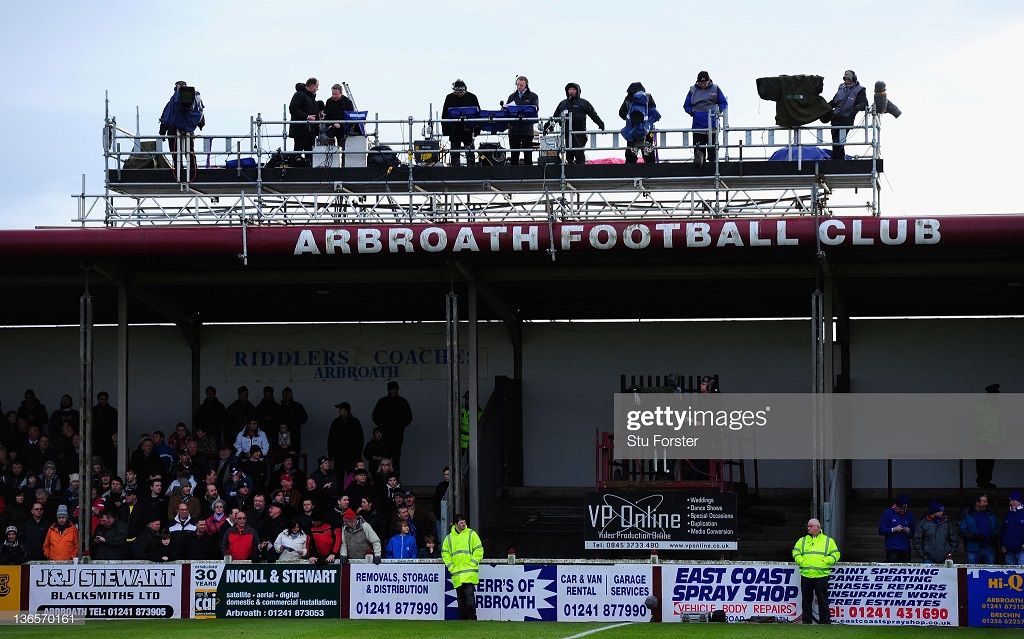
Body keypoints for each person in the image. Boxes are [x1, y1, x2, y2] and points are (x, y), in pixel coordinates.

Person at [792, 518, 839, 625]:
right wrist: (801, 561)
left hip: (821, 575)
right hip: (806, 574)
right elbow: (795, 552)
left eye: (810, 526)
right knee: (806, 599)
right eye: (807, 526)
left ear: (817, 527)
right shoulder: (802, 540)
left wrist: (825, 561)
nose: (808, 528)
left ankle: (825, 621)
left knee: (823, 599)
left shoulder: (828, 541)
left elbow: (836, 554)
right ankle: (806, 620)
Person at [443, 513, 483, 620]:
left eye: (464, 522)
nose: (464, 524)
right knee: (461, 598)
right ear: (456, 524)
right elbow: (445, 554)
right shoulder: (449, 538)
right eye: (461, 522)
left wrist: (473, 563)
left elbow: (479, 549)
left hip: (468, 572)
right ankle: (463, 618)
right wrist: (451, 567)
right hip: (458, 573)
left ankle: (471, 618)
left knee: (469, 597)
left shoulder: (471, 534)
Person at [551, 83, 604, 165]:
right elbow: (555, 116)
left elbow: (593, 114)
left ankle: (581, 171)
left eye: (573, 89)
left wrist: (600, 123)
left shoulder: (584, 103)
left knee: (579, 153)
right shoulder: (563, 103)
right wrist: (549, 125)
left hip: (579, 133)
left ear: (578, 91)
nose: (571, 91)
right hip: (567, 133)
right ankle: (569, 170)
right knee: (569, 155)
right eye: (570, 89)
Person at [684, 71, 728, 166]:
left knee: (712, 150)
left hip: (712, 125)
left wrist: (717, 112)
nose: (703, 85)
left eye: (705, 82)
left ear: (708, 81)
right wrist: (693, 112)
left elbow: (723, 102)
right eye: (701, 83)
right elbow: (686, 105)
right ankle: (700, 170)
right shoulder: (692, 90)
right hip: (698, 126)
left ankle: (713, 168)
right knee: (699, 152)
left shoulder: (715, 89)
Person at [371, 381, 413, 475]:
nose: (395, 391)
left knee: (396, 458)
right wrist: (381, 425)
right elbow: (375, 415)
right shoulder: (383, 401)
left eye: (396, 389)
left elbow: (409, 417)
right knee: (384, 458)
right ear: (389, 390)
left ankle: (395, 480)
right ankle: (383, 481)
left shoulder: (402, 402)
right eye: (393, 389)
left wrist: (400, 425)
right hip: (385, 434)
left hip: (397, 435)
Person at [827, 70, 868, 160]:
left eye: (848, 79)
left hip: (846, 119)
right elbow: (834, 101)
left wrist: (854, 110)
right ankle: (840, 160)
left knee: (839, 141)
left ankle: (834, 160)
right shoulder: (841, 87)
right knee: (835, 141)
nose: (846, 81)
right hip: (835, 118)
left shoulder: (860, 90)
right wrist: (825, 107)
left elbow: (864, 103)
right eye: (845, 79)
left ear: (853, 79)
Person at [442, 79, 481, 167]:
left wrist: (477, 130)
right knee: (454, 154)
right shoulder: (449, 98)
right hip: (454, 131)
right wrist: (446, 131)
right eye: (457, 92)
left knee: (470, 152)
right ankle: (455, 170)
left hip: (468, 130)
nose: (459, 94)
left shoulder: (472, 97)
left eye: (461, 92)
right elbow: (444, 115)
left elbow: (478, 114)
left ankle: (471, 169)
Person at [618, 82, 658, 164]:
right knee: (649, 155)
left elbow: (621, 113)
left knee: (630, 156)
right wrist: (647, 123)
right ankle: (652, 173)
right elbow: (653, 112)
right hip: (646, 130)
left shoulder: (628, 99)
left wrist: (630, 118)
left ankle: (629, 173)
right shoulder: (648, 97)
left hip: (631, 130)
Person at [505, 76, 539, 166]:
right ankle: (514, 174)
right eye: (518, 85)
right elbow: (507, 110)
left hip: (526, 130)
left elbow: (535, 110)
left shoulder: (533, 96)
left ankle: (528, 174)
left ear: (526, 85)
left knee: (527, 154)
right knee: (514, 154)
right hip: (513, 129)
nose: (519, 87)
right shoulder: (512, 96)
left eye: (521, 85)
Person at [975, 383, 1003, 488]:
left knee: (989, 463)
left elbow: (1001, 423)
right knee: (982, 462)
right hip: (982, 440)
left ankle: (986, 481)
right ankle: (982, 481)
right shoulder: (981, 405)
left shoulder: (998, 407)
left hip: (992, 441)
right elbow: (977, 422)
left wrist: (1002, 438)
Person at [961, 492, 999, 564]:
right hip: (973, 548)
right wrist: (975, 537)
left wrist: (995, 536)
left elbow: (997, 528)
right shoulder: (967, 514)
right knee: (972, 572)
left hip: (989, 547)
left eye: (987, 501)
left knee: (990, 572)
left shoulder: (990, 513)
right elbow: (962, 531)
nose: (986, 504)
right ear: (977, 503)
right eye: (984, 502)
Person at [289, 78, 320, 167]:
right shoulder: (299, 95)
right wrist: (307, 117)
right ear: (312, 86)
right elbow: (293, 109)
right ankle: (296, 169)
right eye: (317, 86)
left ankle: (308, 168)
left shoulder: (311, 97)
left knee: (309, 152)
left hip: (310, 131)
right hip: (300, 130)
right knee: (298, 151)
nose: (317, 89)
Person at [327, 402, 365, 474]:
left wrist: (358, 453)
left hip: (351, 455)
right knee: (338, 476)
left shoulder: (355, 422)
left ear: (346, 410)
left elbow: (360, 439)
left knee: (351, 476)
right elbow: (331, 437)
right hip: (339, 454)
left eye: (341, 409)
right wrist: (330, 450)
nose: (339, 410)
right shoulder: (336, 422)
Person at [323, 84, 356, 161]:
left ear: (341, 93)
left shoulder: (348, 102)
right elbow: (326, 117)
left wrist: (341, 124)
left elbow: (350, 117)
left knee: (343, 147)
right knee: (330, 147)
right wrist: (331, 125)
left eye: (335, 94)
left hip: (343, 130)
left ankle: (344, 163)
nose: (333, 96)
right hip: (332, 128)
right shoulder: (329, 102)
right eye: (332, 94)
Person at [878, 494, 915, 562]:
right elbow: (881, 530)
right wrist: (893, 529)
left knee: (906, 571)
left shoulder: (909, 515)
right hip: (892, 548)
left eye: (905, 509)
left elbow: (913, 533)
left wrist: (908, 531)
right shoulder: (888, 513)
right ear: (897, 506)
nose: (903, 510)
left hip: (905, 548)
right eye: (901, 508)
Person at [1002, 492, 1024, 565]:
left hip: (1022, 551)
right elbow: (1004, 531)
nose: (1011, 503)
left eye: (1013, 500)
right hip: (1009, 552)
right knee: (1010, 574)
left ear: (1019, 501)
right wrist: (1004, 544)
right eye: (1010, 501)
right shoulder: (1008, 515)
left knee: (1022, 574)